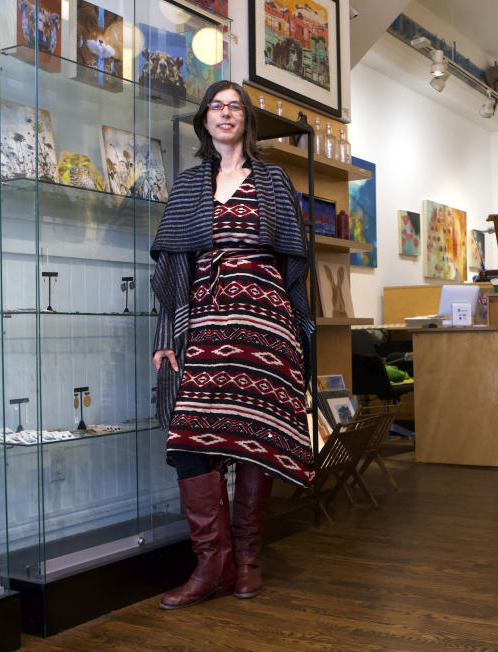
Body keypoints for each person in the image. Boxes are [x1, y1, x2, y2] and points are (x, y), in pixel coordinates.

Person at [150, 81, 314, 610]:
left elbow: (294, 262)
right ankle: (212, 562)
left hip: (266, 322)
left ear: (246, 119)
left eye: (234, 106)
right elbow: (173, 265)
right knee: (190, 441)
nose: (225, 114)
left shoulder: (272, 179)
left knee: (254, 440)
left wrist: (297, 333)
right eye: (217, 107)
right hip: (204, 321)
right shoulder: (190, 183)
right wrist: (165, 338)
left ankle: (246, 559)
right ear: (204, 120)